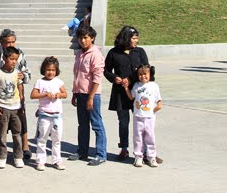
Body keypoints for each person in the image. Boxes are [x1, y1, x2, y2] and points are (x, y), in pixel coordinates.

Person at [0, 29, 32, 159]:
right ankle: (1, 152)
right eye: (7, 42)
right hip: (0, 98)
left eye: (13, 42)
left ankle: (24, 147)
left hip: (16, 96)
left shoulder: (19, 54)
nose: (10, 45)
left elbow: (27, 74)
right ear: (1, 42)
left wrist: (23, 75)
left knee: (21, 122)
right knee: (1, 126)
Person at [103, 26, 147, 161]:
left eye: (136, 38)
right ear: (126, 38)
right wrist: (114, 77)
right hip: (120, 93)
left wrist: (132, 78)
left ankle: (143, 151)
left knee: (141, 121)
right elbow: (106, 70)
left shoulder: (139, 52)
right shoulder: (113, 53)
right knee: (123, 122)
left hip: (138, 93)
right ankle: (124, 148)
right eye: (134, 38)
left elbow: (147, 70)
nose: (136, 41)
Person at [69, 24, 107, 166]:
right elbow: (77, 75)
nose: (83, 41)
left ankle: (100, 154)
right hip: (80, 93)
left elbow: (97, 77)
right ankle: (82, 151)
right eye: (80, 38)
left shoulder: (95, 54)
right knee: (82, 124)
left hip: (92, 95)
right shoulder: (79, 53)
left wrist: (91, 97)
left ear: (92, 38)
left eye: (85, 38)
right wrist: (74, 93)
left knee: (96, 124)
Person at [0, 46, 25, 169]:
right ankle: (2, 156)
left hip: (16, 107)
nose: (14, 61)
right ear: (4, 58)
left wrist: (22, 102)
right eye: (11, 59)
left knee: (17, 133)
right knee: (2, 134)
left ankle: (18, 156)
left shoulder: (17, 73)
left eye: (16, 59)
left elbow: (20, 87)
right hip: (3, 107)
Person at [31, 56, 67, 171]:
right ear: (43, 70)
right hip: (44, 116)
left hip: (57, 116)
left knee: (57, 140)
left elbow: (65, 94)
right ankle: (41, 160)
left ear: (56, 71)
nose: (50, 72)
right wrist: (45, 94)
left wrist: (58, 95)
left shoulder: (58, 82)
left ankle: (57, 160)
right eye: (48, 70)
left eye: (53, 70)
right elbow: (33, 95)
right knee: (42, 139)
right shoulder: (40, 82)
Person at [123, 65, 162, 168]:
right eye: (140, 74)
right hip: (138, 116)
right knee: (138, 137)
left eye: (145, 74)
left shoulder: (154, 86)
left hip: (150, 116)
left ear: (150, 74)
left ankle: (151, 157)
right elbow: (131, 97)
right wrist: (126, 88)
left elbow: (158, 99)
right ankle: (138, 156)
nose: (142, 76)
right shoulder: (136, 85)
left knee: (150, 136)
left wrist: (158, 107)